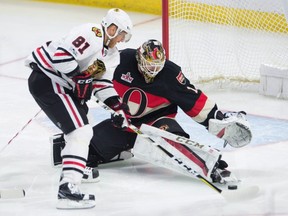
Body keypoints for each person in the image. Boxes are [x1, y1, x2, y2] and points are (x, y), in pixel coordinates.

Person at [52, 39, 252, 186]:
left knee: (172, 141)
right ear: (139, 59)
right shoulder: (121, 61)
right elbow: (94, 78)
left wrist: (217, 119)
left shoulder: (171, 74)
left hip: (158, 120)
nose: (152, 70)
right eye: (149, 65)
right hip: (127, 123)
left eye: (157, 66)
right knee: (87, 149)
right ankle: (123, 147)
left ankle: (213, 166)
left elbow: (193, 100)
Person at [26, 8, 133, 209]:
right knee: (80, 131)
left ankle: (76, 164)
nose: (121, 39)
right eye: (120, 34)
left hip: (62, 85)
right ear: (111, 28)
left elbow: (102, 84)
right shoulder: (92, 32)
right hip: (49, 80)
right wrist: (78, 76)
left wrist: (117, 107)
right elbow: (60, 56)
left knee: (85, 124)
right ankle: (67, 189)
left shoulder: (111, 56)